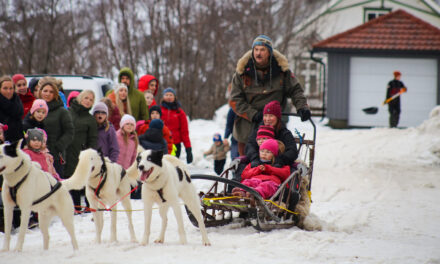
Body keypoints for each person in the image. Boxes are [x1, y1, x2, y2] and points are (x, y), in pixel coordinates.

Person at [229, 34, 310, 156]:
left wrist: (302, 106)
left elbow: (295, 90)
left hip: (275, 124)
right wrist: (254, 114)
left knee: (275, 157)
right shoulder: (242, 73)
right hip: (248, 125)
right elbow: (234, 100)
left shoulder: (282, 71)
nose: (258, 53)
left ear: (269, 53)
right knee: (245, 161)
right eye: (256, 50)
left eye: (262, 50)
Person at [65, 90, 98, 211]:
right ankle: (71, 207)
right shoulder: (67, 112)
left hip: (81, 153)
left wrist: (90, 155)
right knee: (68, 178)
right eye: (86, 98)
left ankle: (83, 206)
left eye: (91, 99)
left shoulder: (90, 120)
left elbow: (93, 139)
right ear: (80, 98)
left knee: (81, 178)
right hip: (65, 151)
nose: (88, 101)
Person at [246, 100, 298, 168]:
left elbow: (292, 151)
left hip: (278, 165)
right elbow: (250, 145)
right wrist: (255, 158)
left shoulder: (284, 133)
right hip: (258, 163)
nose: (267, 119)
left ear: (277, 118)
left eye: (271, 116)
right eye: (265, 115)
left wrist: (279, 160)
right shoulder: (258, 131)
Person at [39, 79, 74, 178]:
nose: (48, 94)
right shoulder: (34, 109)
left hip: (56, 156)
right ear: (40, 92)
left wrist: (58, 146)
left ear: (56, 94)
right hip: (36, 154)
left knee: (55, 185)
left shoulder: (62, 112)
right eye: (45, 91)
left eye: (51, 91)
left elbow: (69, 132)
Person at [160, 87, 193, 163]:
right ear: (163, 97)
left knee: (173, 166)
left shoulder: (179, 112)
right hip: (161, 143)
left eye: (171, 95)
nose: (169, 97)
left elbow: (184, 132)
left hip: (175, 144)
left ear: (174, 97)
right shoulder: (159, 110)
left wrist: (188, 149)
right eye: (167, 95)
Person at [116, 114, 140, 199]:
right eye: (127, 124)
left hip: (126, 169)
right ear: (122, 125)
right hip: (116, 168)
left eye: (132, 124)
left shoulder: (134, 139)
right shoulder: (117, 136)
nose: (129, 126)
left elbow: (133, 156)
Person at [0, 75, 24, 142]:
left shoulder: (18, 104)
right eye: (5, 88)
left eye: (11, 88)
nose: (8, 91)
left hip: (16, 143)